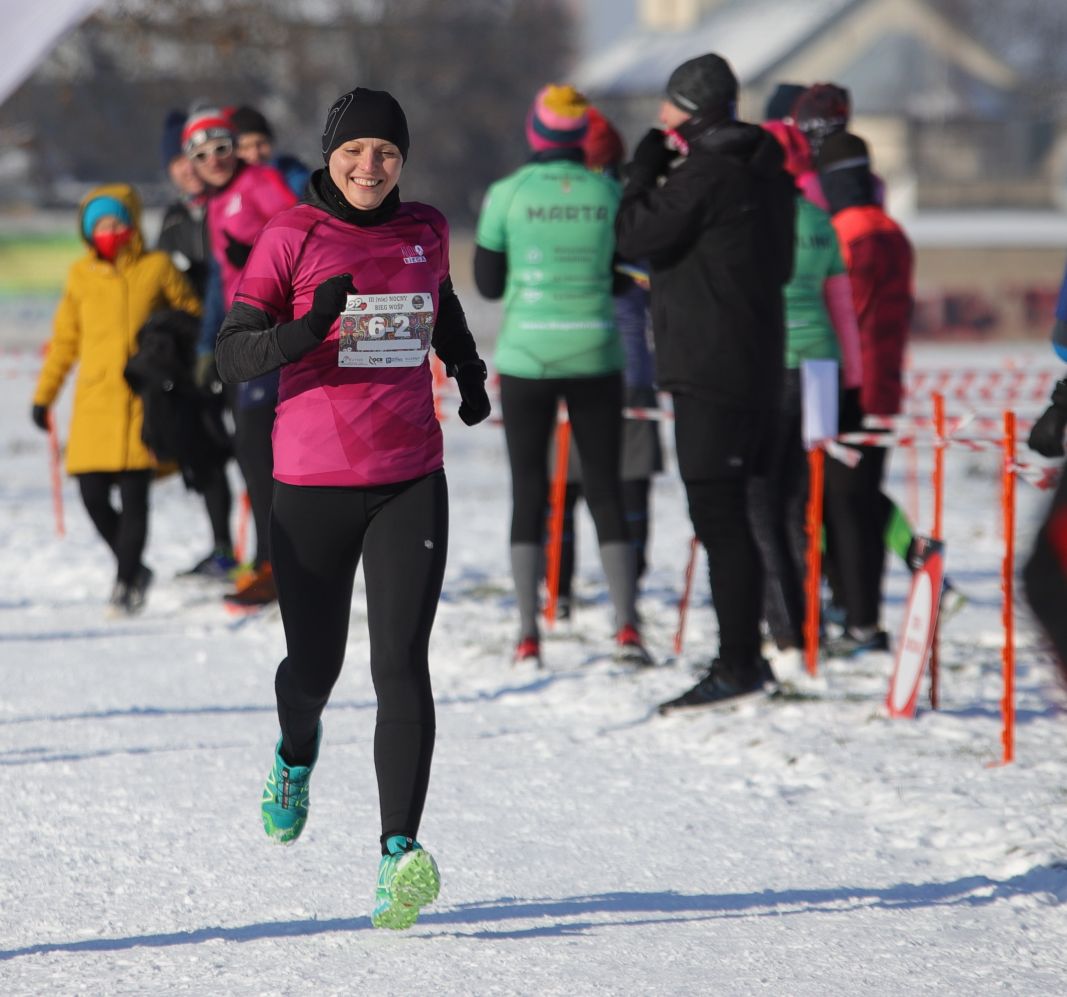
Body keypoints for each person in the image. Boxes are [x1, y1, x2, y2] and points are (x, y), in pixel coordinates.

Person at [215, 86, 491, 930]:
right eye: (354, 152)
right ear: (328, 156)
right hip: (309, 481)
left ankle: (397, 853)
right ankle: (295, 753)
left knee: (401, 662)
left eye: (387, 153)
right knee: (315, 669)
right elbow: (233, 355)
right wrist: (309, 328)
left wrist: (468, 369)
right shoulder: (290, 235)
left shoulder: (426, 229)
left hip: (409, 473)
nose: (370, 166)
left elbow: (437, 303)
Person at [614, 53, 795, 710]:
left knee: (718, 517)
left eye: (667, 107)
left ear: (691, 112)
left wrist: (640, 173)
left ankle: (738, 662)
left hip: (710, 368)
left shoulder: (707, 173)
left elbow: (632, 233)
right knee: (745, 513)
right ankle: (754, 651)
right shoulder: (768, 172)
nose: (659, 118)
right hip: (758, 363)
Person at [474, 84, 649, 667]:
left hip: (528, 357)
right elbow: (626, 280)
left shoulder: (506, 193)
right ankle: (627, 626)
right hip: (597, 352)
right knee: (605, 486)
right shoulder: (609, 192)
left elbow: (489, 284)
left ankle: (528, 631)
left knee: (530, 488)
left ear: (536, 133)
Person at [30, 184, 200, 614]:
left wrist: (167, 345)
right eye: (100, 224)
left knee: (135, 495)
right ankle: (136, 569)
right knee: (91, 496)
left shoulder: (157, 266)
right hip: (94, 404)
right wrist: (43, 396)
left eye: (116, 221)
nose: (109, 230)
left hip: (145, 401)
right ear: (88, 233)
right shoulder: (80, 276)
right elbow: (65, 341)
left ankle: (125, 583)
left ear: (131, 224)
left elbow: (192, 314)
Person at [745, 119, 862, 680]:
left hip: (772, 363)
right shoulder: (819, 219)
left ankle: (786, 628)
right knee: (796, 502)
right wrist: (853, 380)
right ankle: (806, 617)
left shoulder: (756, 218)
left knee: (761, 499)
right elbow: (842, 305)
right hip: (821, 367)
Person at [546, 107, 663, 619]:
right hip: (629, 366)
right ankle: (627, 591)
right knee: (628, 484)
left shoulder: (549, 205)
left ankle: (560, 591)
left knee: (563, 487)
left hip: (559, 360)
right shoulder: (634, 209)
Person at [184, 105, 298, 607]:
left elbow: (301, 233)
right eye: (202, 154)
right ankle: (269, 557)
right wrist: (209, 344)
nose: (214, 160)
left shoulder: (257, 182)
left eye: (222, 148)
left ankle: (277, 563)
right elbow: (218, 281)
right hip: (240, 336)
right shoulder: (216, 200)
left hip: (271, 330)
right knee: (250, 453)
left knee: (259, 448)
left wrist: (255, 251)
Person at [816, 131, 913, 657]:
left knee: (846, 507)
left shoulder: (844, 234)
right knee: (863, 501)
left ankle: (860, 620)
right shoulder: (893, 231)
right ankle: (865, 617)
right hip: (886, 385)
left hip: (849, 386)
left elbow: (840, 314)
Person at [157, 109, 237, 579]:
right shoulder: (173, 216)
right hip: (194, 352)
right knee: (205, 450)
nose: (188, 170)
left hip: (236, 339)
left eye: (193, 160)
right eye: (179, 163)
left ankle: (267, 553)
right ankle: (221, 546)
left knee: (252, 450)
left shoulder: (228, 203)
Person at [230, 104, 312, 197]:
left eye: (261, 144)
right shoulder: (228, 185)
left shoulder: (292, 173)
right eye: (245, 147)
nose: (255, 154)